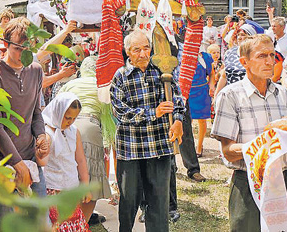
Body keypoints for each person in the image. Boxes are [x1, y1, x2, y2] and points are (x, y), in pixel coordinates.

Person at [211, 35, 287, 231]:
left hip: (283, 181)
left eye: (272, 55)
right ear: (244, 62)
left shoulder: (283, 95)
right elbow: (228, 151)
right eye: (262, 56)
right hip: (247, 183)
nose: (270, 61)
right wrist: (265, 144)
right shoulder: (230, 96)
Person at [0, 17, 50, 230]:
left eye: (29, 47)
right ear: (6, 44)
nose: (24, 53)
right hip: (2, 163)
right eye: (19, 48)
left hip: (30, 157)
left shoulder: (36, 70)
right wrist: (17, 164)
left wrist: (41, 136)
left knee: (41, 223)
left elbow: (36, 113)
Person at [110, 30, 184, 232]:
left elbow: (177, 100)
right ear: (127, 52)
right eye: (137, 49)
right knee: (129, 200)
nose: (143, 54)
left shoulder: (162, 70)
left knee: (159, 201)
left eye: (146, 48)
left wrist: (178, 120)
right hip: (131, 149)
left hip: (159, 146)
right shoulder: (120, 76)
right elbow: (120, 112)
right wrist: (154, 113)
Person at [59, 56, 115, 225]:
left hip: (68, 129)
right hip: (91, 128)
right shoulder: (102, 86)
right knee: (91, 179)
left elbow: (58, 108)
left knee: (71, 176)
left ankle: (70, 222)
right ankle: (82, 223)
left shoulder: (69, 84)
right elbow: (108, 117)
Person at [42, 92, 91, 232]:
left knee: (73, 224)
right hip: (53, 189)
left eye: (74, 118)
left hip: (71, 187)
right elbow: (42, 162)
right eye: (67, 117)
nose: (70, 122)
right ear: (58, 112)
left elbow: (81, 160)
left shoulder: (74, 131)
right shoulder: (46, 133)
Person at [215, 23, 257, 96]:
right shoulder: (230, 52)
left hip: (250, 95)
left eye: (243, 35)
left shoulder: (256, 54)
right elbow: (224, 76)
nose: (239, 37)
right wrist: (216, 95)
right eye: (238, 35)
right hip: (231, 95)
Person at [188, 47, 214, 157]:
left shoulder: (206, 57)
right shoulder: (184, 56)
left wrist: (211, 86)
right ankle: (188, 146)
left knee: (202, 120)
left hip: (202, 90)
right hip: (187, 91)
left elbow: (212, 73)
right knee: (187, 120)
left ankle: (199, 146)